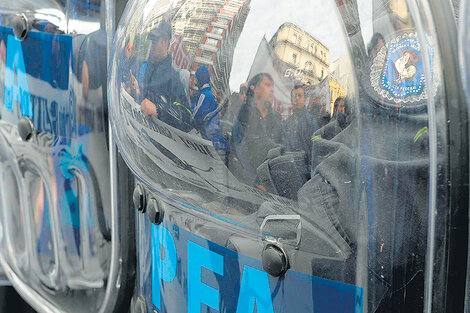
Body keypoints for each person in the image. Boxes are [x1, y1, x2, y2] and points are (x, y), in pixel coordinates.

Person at [131, 22, 191, 132]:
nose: (151, 47)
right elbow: (146, 100)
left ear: (165, 42)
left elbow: (186, 119)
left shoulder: (172, 78)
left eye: (154, 42)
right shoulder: (150, 68)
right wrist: (137, 92)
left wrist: (158, 111)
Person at [232, 73, 282, 183]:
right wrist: (253, 179)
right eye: (267, 85)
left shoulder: (276, 118)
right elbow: (240, 148)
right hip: (246, 180)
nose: (272, 90)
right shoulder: (243, 114)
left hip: (267, 181)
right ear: (255, 89)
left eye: (272, 86)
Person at [191, 65, 228, 153]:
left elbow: (195, 116)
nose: (196, 80)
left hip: (210, 141)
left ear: (200, 78)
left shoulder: (204, 95)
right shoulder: (207, 93)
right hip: (213, 140)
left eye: (197, 77)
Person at [282, 84, 319, 160]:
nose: (296, 98)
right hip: (290, 165)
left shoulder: (312, 121)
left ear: (305, 99)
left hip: (307, 166)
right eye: (294, 96)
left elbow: (317, 147)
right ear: (291, 99)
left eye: (299, 96)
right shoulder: (287, 122)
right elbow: (283, 146)